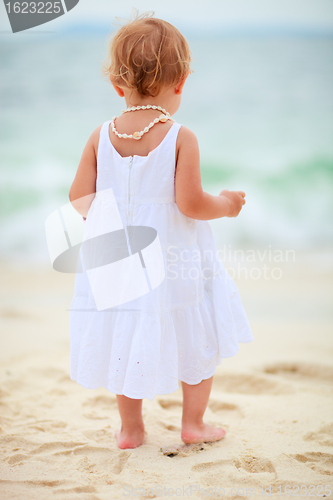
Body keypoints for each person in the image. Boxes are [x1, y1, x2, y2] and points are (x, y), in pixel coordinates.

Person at [68, 12, 254, 450]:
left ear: (117, 85)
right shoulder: (179, 136)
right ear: (181, 82)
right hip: (175, 265)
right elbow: (191, 203)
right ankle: (193, 423)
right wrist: (226, 205)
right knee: (197, 335)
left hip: (119, 263)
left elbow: (79, 199)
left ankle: (131, 429)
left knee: (126, 338)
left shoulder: (100, 136)